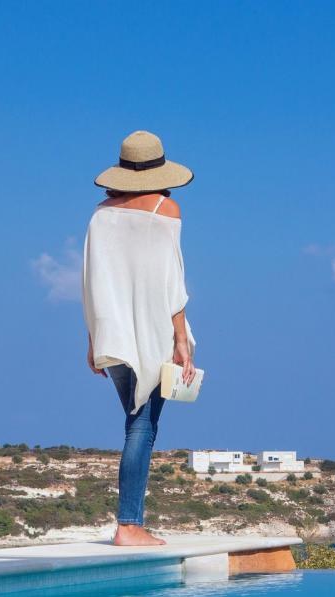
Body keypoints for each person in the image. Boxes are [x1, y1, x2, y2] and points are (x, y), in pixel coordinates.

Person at [83, 131, 196, 547]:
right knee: (142, 427)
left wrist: (92, 340)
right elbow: (172, 282)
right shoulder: (167, 210)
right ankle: (128, 525)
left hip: (111, 335)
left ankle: (130, 523)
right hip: (152, 333)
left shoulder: (99, 216)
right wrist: (180, 338)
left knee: (137, 424)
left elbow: (91, 283)